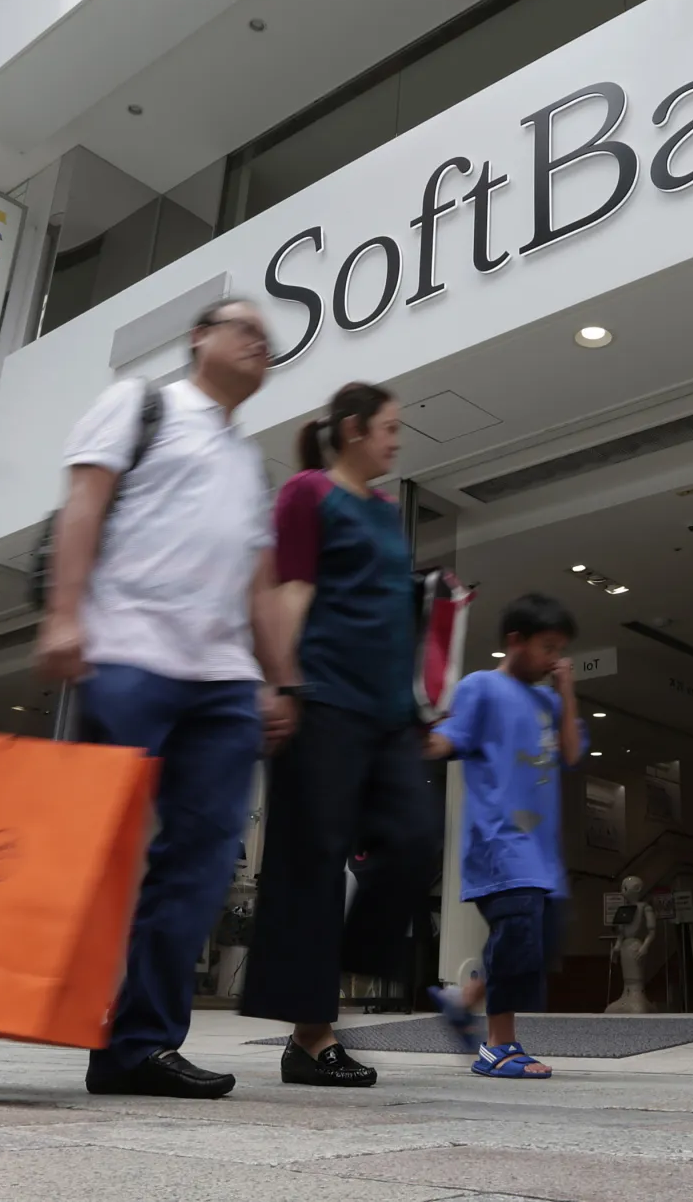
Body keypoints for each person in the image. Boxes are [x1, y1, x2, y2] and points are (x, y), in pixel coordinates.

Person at [0, 298, 296, 1098]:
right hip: (129, 655)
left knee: (199, 866)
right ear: (200, 335)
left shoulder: (250, 464)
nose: (258, 344)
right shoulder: (142, 404)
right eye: (244, 328)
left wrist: (279, 679)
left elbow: (261, 582)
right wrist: (65, 614)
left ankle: (139, 1045)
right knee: (78, 847)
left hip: (222, 684)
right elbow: (84, 505)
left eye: (268, 341)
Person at [238, 382, 445, 1087]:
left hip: (388, 713)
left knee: (415, 835)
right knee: (313, 867)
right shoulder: (306, 493)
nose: (397, 439)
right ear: (353, 430)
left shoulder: (387, 511)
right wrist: (278, 681)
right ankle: (312, 1035)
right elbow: (291, 590)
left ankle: (345, 958)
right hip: (322, 699)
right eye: (389, 427)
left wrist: (418, 704)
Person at [423, 595, 582, 1079]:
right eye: (547, 647)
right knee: (517, 934)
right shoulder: (481, 687)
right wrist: (411, 735)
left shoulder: (549, 699)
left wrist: (567, 688)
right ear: (515, 641)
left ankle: (464, 998)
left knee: (538, 942)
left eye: (561, 649)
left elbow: (572, 753)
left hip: (541, 853)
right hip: (499, 840)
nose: (554, 658)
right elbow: (449, 738)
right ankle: (498, 1046)